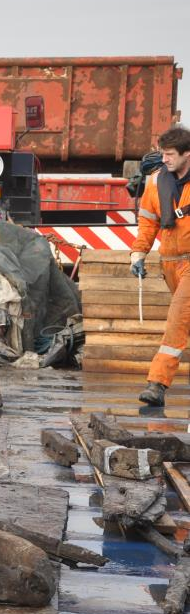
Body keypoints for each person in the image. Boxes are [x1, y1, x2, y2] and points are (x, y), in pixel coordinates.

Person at [132, 125, 190, 406]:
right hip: (170, 263)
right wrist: (139, 253)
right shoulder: (156, 182)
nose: (164, 159)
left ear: (186, 155)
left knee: (177, 321)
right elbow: (148, 220)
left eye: (169, 155)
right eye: (162, 154)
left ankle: (157, 384)